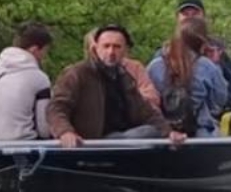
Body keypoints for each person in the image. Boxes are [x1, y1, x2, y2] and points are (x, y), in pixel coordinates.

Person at [48, 24, 185, 148]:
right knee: (146, 133)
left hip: (121, 141)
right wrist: (65, 132)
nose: (111, 52)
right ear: (95, 48)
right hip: (90, 144)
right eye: (106, 46)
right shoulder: (77, 73)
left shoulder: (124, 76)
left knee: (150, 132)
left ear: (125, 50)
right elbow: (56, 107)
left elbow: (146, 111)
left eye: (117, 47)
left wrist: (169, 133)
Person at [147, 17, 228, 137]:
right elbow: (220, 100)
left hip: (163, 134)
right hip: (200, 132)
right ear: (202, 40)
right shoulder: (207, 66)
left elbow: (147, 101)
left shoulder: (154, 66)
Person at [174, 0, 231, 111]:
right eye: (185, 14)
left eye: (195, 14)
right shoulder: (164, 54)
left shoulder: (215, 48)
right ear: (177, 19)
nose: (190, 18)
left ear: (204, 17)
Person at [0, 21, 53, 141]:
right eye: (45, 51)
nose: (45, 56)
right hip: (20, 148)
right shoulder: (39, 78)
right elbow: (44, 129)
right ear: (34, 50)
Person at [83, 28, 160, 110]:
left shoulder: (134, 67)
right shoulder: (80, 73)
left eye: (115, 46)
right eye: (105, 46)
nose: (109, 51)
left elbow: (153, 98)